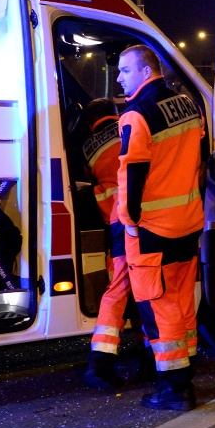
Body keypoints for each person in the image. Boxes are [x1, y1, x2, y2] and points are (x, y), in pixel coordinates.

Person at [116, 44, 205, 411]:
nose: (119, 77)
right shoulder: (187, 106)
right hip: (189, 222)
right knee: (183, 301)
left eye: (124, 70)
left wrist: (130, 222)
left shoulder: (136, 116)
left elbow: (131, 174)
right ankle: (187, 370)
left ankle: (174, 388)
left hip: (153, 229)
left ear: (144, 70)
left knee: (159, 307)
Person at [81, 98, 152, 390]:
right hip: (140, 217)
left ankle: (112, 358)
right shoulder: (129, 127)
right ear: (115, 114)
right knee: (145, 286)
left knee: (124, 285)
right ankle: (103, 362)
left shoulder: (86, 149)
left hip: (115, 221)